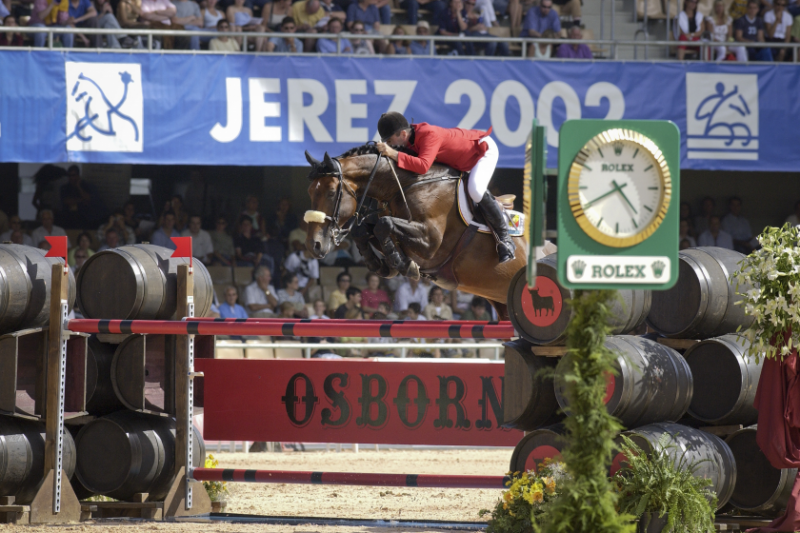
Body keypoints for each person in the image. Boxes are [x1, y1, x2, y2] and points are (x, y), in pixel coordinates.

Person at [376, 111, 515, 263]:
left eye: (390, 140)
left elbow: (422, 166)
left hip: (482, 151)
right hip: (461, 161)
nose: (390, 145)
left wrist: (392, 153)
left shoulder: (428, 134)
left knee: (475, 190)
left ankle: (505, 239)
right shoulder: (409, 141)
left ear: (403, 133)